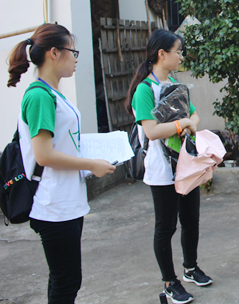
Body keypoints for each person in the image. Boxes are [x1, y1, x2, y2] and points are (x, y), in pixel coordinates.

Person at [7, 24, 116, 304]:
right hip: (53, 204)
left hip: (66, 200)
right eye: (72, 51)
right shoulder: (39, 96)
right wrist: (90, 164)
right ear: (54, 53)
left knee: (62, 279)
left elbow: (61, 143)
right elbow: (43, 155)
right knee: (67, 282)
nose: (76, 58)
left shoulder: (52, 94)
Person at [126, 29, 212, 304]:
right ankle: (169, 282)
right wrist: (181, 124)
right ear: (162, 54)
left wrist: (190, 123)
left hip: (185, 164)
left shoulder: (175, 84)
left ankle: (190, 268)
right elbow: (151, 131)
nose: (181, 56)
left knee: (191, 221)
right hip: (162, 170)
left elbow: (194, 114)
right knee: (166, 227)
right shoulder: (144, 90)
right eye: (178, 51)